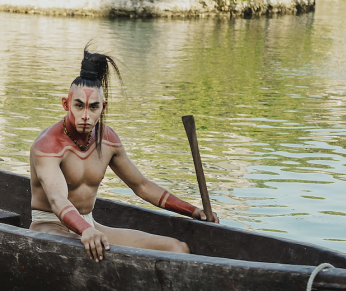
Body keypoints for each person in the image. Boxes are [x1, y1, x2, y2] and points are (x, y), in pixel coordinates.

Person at [30, 48, 218, 261]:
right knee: (95, 253)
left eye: (93, 107)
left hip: (91, 225)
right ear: (66, 104)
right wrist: (85, 231)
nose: (85, 115)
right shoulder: (47, 145)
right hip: (49, 227)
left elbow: (142, 186)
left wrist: (192, 210)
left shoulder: (108, 139)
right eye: (78, 106)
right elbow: (57, 199)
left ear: (103, 107)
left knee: (177, 248)